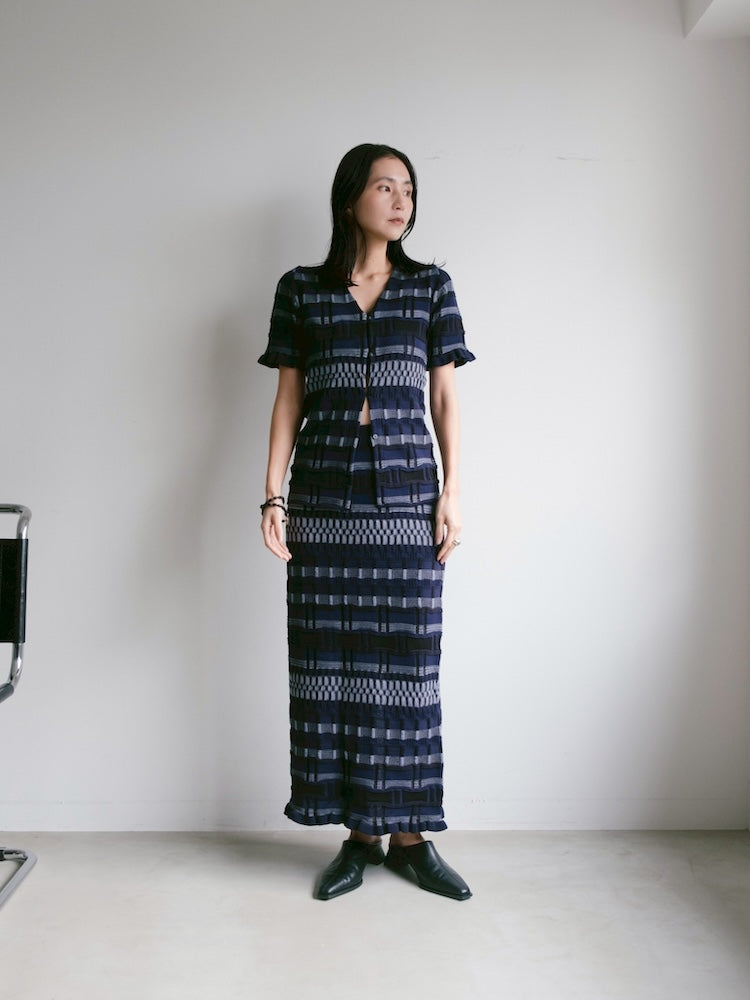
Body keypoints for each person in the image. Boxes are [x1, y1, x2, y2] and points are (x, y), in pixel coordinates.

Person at [258, 143, 476, 901]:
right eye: (385, 186)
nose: (401, 199)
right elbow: (289, 398)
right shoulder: (301, 290)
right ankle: (358, 837)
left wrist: (452, 491)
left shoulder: (430, 288)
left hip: (407, 496)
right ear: (350, 196)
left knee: (409, 669)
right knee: (333, 668)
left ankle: (411, 840)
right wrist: (273, 495)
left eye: (408, 187)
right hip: (323, 501)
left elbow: (443, 398)